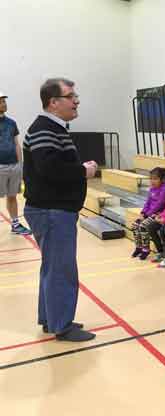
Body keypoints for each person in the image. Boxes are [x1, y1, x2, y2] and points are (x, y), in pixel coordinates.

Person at [23, 78, 98, 341]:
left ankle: (51, 318)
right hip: (52, 212)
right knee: (61, 269)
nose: (76, 100)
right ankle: (61, 326)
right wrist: (83, 171)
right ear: (53, 102)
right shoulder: (45, 129)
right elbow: (49, 168)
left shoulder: (52, 128)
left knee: (52, 267)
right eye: (70, 95)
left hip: (50, 210)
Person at [0, 92, 30, 234]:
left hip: (14, 165)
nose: (4, 104)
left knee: (12, 196)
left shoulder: (11, 123)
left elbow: (16, 144)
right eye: (0, 102)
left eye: (4, 101)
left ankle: (15, 224)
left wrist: (20, 164)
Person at [131, 167, 165, 260]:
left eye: (155, 179)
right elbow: (148, 202)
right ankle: (139, 247)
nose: (152, 181)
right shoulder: (152, 189)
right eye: (151, 178)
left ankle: (146, 249)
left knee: (143, 226)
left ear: (162, 179)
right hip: (148, 213)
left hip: (157, 214)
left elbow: (159, 204)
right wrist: (143, 213)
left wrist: (146, 215)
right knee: (135, 225)